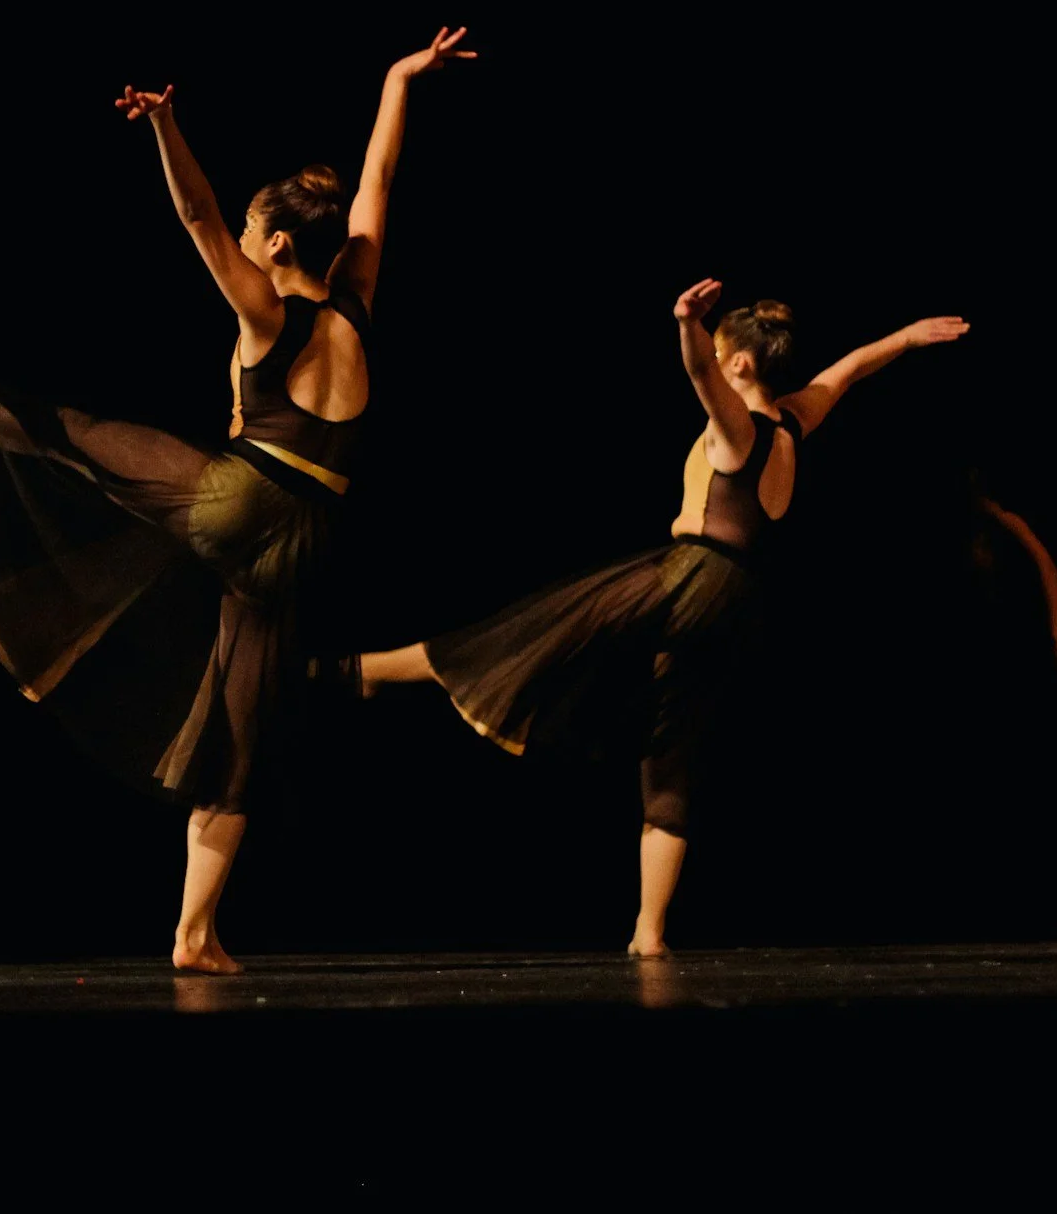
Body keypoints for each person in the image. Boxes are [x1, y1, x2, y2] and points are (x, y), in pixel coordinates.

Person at [0, 27, 475, 972]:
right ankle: (195, 933)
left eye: (253, 238)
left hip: (240, 498)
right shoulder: (357, 299)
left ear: (271, 245)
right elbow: (380, 178)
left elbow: (196, 217)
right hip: (302, 538)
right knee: (237, 730)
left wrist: (167, 126)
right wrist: (400, 80)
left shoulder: (270, 310)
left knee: (77, 439)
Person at [361, 281, 968, 955]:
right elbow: (848, 369)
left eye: (721, 352)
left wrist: (686, 324)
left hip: (691, 576)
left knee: (543, 625)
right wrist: (908, 337)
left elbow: (699, 371)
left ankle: (372, 671)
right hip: (737, 603)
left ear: (740, 364)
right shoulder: (795, 420)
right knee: (671, 747)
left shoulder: (735, 428)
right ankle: (648, 931)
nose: (714, 358)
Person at [961, 464, 1057, 925]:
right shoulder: (971, 530)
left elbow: (1046, 567)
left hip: (1022, 661)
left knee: (1042, 775)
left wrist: (1055, 634)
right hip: (1004, 663)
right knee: (1031, 779)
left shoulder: (1001, 521)